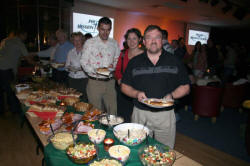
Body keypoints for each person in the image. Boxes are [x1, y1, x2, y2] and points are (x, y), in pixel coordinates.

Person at [121, 25, 190, 148]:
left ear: (162, 40)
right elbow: (124, 86)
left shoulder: (175, 61)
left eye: (157, 37)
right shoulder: (134, 62)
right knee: (137, 149)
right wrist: (136, 93)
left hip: (165, 115)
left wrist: (172, 95)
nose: (153, 41)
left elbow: (185, 87)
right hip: (140, 114)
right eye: (149, 37)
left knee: (164, 150)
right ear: (144, 41)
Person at [80, 17, 120, 115]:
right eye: (103, 29)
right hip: (95, 82)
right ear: (98, 28)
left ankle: (111, 129)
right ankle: (97, 130)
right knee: (95, 113)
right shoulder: (90, 43)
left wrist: (113, 67)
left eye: (108, 30)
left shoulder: (114, 43)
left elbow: (117, 59)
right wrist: (96, 70)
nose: (105, 33)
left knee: (113, 112)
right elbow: (83, 62)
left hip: (110, 82)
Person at [0, 29, 33, 115]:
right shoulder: (20, 43)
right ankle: (15, 110)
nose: (26, 38)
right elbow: (28, 60)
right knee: (11, 90)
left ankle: (2, 111)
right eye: (25, 36)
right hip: (7, 69)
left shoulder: (5, 40)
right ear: (22, 35)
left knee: (3, 90)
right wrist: (39, 64)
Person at [115, 28, 144, 122]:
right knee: (122, 115)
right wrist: (119, 78)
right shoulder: (123, 53)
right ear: (126, 40)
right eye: (129, 39)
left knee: (135, 117)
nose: (131, 42)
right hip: (123, 89)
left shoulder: (145, 56)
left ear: (139, 39)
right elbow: (118, 69)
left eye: (134, 38)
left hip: (138, 90)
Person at [65, 32, 88, 102]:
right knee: (72, 99)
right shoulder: (70, 52)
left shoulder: (86, 51)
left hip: (83, 80)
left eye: (79, 40)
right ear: (72, 41)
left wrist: (80, 69)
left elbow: (88, 66)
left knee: (83, 99)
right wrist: (70, 68)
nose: (77, 42)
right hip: (72, 79)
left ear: (82, 41)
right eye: (75, 40)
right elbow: (66, 66)